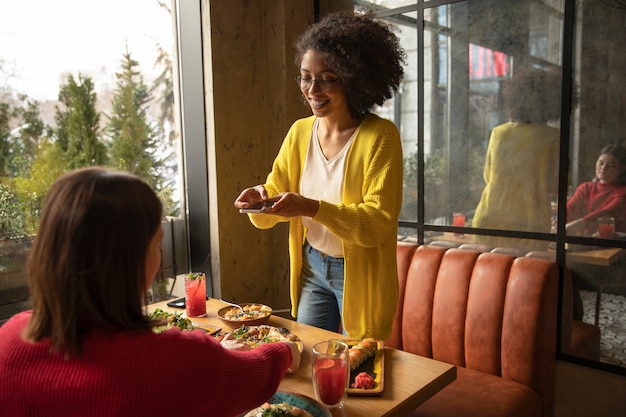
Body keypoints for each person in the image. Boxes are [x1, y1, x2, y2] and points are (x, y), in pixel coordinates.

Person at [0, 167, 300, 417]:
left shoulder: (8, 339)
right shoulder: (178, 362)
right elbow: (257, 374)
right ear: (128, 261)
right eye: (156, 244)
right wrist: (285, 350)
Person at [234, 11, 406, 340]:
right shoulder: (300, 132)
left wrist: (312, 208)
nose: (312, 89)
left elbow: (376, 224)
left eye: (327, 78)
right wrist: (260, 201)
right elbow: (274, 198)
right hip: (312, 267)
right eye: (305, 77)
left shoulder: (380, 137)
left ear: (354, 79)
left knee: (359, 370)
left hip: (356, 273)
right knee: (307, 362)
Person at [472, 68, 561, 251]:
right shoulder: (553, 137)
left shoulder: (499, 132)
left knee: (492, 276)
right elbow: (555, 186)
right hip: (530, 224)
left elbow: (488, 177)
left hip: (489, 217)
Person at [566, 144, 626, 236]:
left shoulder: (622, 192)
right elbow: (570, 208)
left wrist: (579, 224)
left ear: (621, 169)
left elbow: (607, 213)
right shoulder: (586, 188)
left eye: (610, 165)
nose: (603, 168)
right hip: (582, 239)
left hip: (610, 243)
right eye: (601, 163)